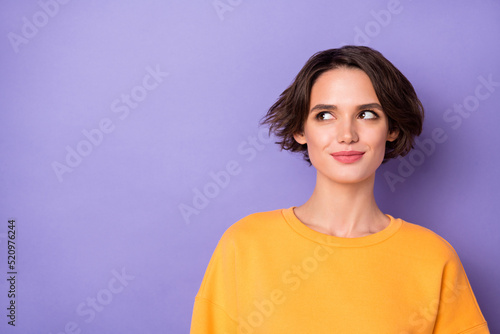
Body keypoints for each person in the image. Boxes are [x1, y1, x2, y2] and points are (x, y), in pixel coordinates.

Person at [190, 46, 489, 333]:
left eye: (367, 114)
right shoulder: (245, 245)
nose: (347, 135)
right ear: (300, 130)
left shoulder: (433, 258)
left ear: (392, 128)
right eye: (325, 115)